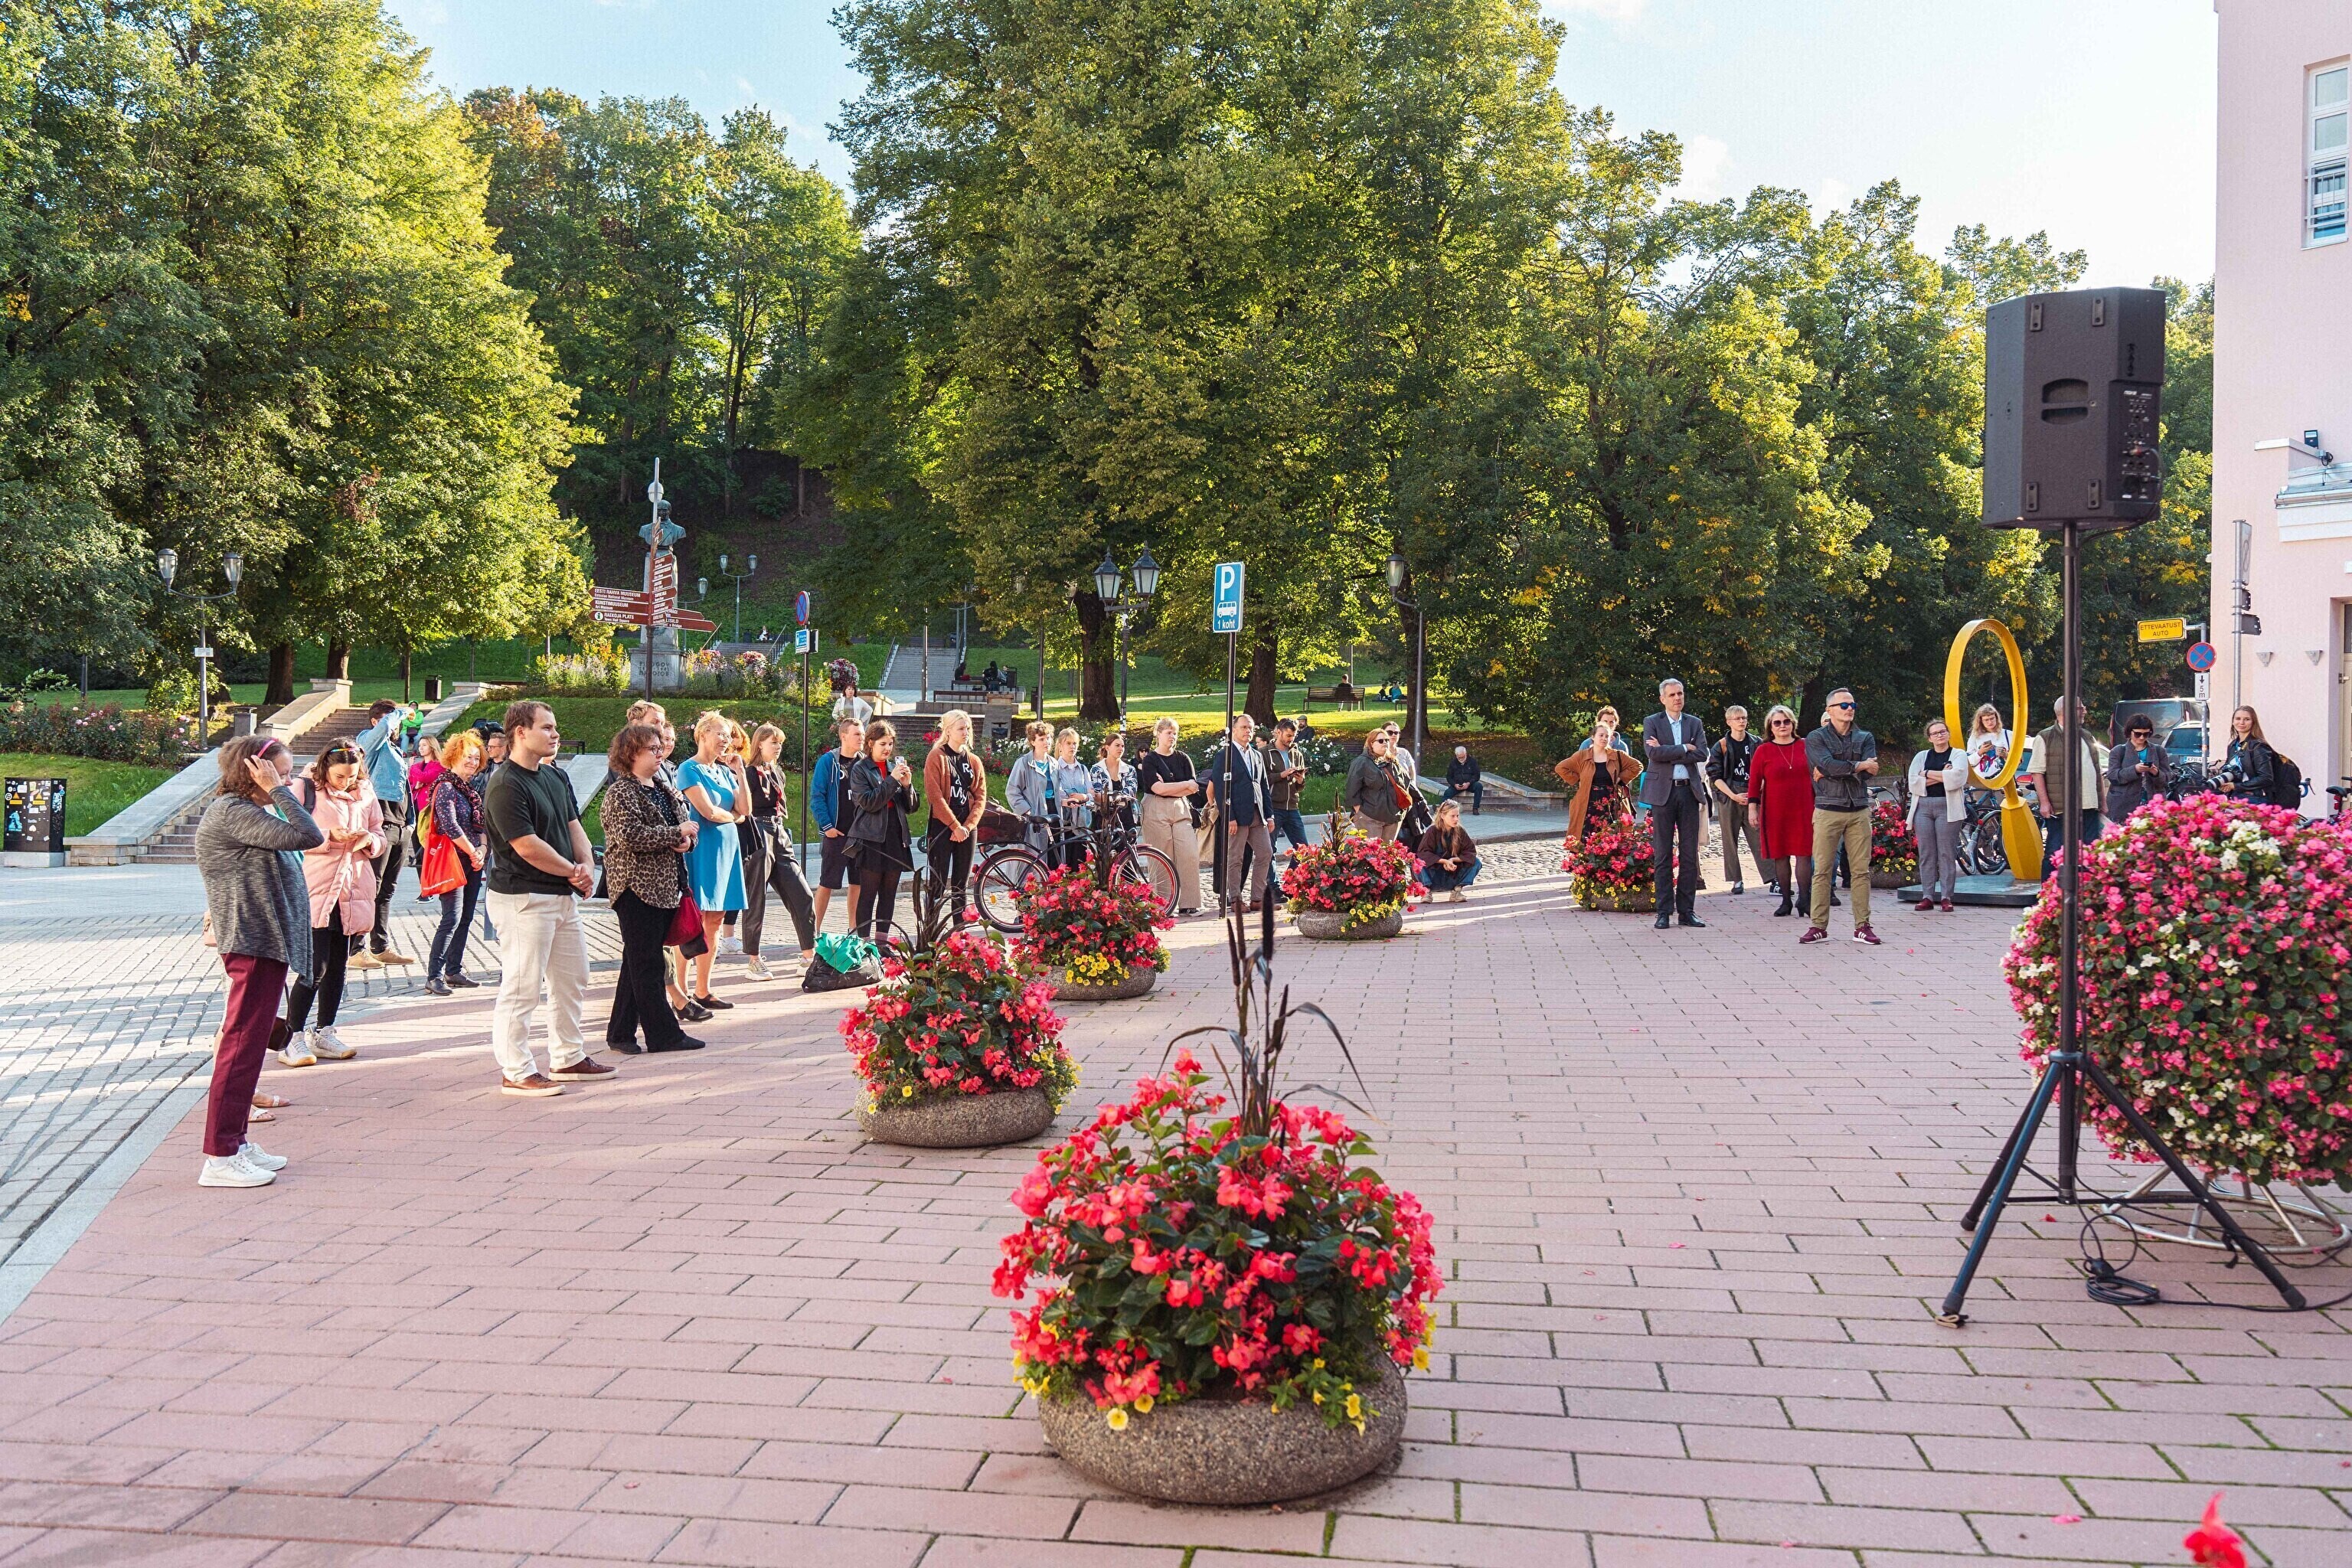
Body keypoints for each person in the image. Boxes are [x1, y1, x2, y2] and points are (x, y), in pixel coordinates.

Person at [193, 736, 322, 1187]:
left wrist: (277, 791)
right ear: (253, 772)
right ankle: (220, 1156)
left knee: (248, 1047)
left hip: (263, 942)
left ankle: (237, 1143)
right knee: (240, 1047)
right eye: (280, 773)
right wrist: (280, 791)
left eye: (287, 774)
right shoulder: (233, 812)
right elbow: (309, 834)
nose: (288, 781)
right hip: (252, 943)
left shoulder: (246, 812)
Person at [482, 700, 609, 1096]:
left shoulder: (554, 776)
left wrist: (587, 864)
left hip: (560, 896)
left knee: (572, 977)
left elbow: (573, 826)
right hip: (522, 898)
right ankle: (516, 1069)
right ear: (521, 732)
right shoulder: (506, 784)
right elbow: (526, 846)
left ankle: (568, 1056)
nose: (555, 734)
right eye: (547, 728)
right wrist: (573, 871)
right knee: (522, 986)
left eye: (555, 727)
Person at [599, 723, 704, 1054]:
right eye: (652, 749)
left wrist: (687, 841)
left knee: (636, 961)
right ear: (631, 753)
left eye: (661, 748)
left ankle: (620, 1034)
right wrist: (676, 833)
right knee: (648, 965)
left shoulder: (663, 787)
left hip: (666, 887)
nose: (660, 753)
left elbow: (687, 828)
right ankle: (663, 1035)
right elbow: (630, 836)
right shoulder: (621, 793)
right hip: (635, 888)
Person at [280, 740, 383, 1065]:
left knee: (338, 967)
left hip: (353, 888)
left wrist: (369, 840)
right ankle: (292, 1037)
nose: (346, 782)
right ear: (325, 767)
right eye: (340, 776)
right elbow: (286, 833)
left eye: (352, 776)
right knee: (315, 968)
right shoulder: (305, 789)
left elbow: (380, 834)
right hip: (317, 886)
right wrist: (328, 836)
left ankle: (325, 1031)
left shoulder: (365, 792)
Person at [678, 712, 750, 1011]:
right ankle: (680, 992)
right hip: (702, 849)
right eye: (720, 733)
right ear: (703, 734)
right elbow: (707, 811)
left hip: (727, 850)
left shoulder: (723, 771)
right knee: (693, 920)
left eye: (729, 735)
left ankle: (703, 990)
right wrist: (734, 817)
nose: (726, 740)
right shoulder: (688, 768)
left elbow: (746, 809)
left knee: (716, 920)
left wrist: (740, 773)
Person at [1800, 689, 1879, 946]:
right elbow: (1825, 765)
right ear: (1830, 710)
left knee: (1861, 872)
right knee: (1822, 871)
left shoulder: (1865, 737)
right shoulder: (1816, 737)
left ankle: (1862, 927)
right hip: (1828, 809)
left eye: (1852, 704)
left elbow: (1869, 772)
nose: (1850, 708)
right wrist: (1857, 765)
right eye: (1844, 705)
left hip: (1858, 809)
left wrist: (1836, 769)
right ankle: (1818, 926)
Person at [741, 722, 815, 977]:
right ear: (759, 743)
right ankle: (753, 959)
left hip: (779, 830)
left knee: (802, 894)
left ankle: (809, 956)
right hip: (758, 831)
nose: (778, 747)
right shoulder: (749, 773)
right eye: (773, 742)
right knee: (756, 898)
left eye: (780, 743)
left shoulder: (776, 772)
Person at [350, 701, 417, 969]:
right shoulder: (368, 741)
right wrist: (400, 712)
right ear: (376, 721)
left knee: (387, 889)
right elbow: (382, 730)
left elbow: (405, 789)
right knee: (370, 887)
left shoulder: (395, 749)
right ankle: (356, 949)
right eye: (393, 720)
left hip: (400, 824)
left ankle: (380, 946)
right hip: (381, 823)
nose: (398, 725)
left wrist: (410, 822)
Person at [423, 730, 491, 995]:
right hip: (453, 860)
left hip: (472, 860)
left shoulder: (470, 791)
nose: (473, 762)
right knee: (451, 918)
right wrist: (473, 851)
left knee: (466, 916)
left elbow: (480, 824)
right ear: (453, 756)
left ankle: (453, 970)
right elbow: (450, 826)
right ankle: (434, 975)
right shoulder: (446, 787)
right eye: (468, 756)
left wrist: (482, 848)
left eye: (476, 757)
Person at [1641, 679, 1710, 930]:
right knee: (1663, 854)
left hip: (1688, 792)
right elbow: (1653, 754)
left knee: (1690, 854)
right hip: (1663, 794)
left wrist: (1669, 750)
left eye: (1680, 693)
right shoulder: (1652, 722)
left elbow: (1701, 753)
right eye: (1672, 695)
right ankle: (1663, 911)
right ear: (1663, 699)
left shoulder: (1694, 723)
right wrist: (1683, 748)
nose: (1677, 698)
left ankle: (1687, 911)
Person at [845, 719, 916, 939]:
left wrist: (907, 786)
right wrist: (892, 781)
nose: (887, 749)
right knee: (868, 893)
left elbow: (912, 807)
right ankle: (864, 943)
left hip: (895, 836)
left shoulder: (894, 769)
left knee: (889, 893)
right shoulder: (860, 769)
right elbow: (869, 803)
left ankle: (882, 942)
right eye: (882, 744)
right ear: (870, 743)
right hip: (871, 838)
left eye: (890, 744)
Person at [924, 710, 989, 921]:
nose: (966, 733)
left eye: (968, 728)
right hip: (942, 827)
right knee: (938, 882)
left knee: (961, 884)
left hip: (967, 829)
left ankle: (959, 931)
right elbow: (935, 797)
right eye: (961, 728)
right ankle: (931, 929)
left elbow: (980, 797)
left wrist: (967, 827)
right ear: (948, 730)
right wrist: (955, 826)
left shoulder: (974, 761)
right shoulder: (937, 756)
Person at [1208, 714, 1275, 910]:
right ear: (1234, 730)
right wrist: (1230, 817)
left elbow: (1263, 786)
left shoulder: (1256, 755)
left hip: (1257, 814)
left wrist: (1269, 815)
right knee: (1236, 858)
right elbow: (1221, 789)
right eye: (1244, 727)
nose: (1248, 731)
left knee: (1266, 852)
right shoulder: (1225, 755)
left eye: (1251, 728)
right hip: (1236, 815)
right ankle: (1235, 899)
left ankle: (1257, 899)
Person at [1137, 717, 1203, 913]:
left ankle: (1189, 903)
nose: (1172, 737)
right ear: (1158, 734)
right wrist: (1182, 785)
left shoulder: (1183, 758)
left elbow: (1193, 787)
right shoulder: (1150, 760)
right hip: (1156, 808)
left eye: (1175, 733)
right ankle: (1163, 904)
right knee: (1161, 855)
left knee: (1189, 853)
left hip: (1180, 808)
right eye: (1168, 733)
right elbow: (1157, 789)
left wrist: (1170, 786)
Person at [2027, 697, 2104, 859]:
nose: (2085, 711)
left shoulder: (2087, 736)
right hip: (2061, 808)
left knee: (2090, 854)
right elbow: (2037, 772)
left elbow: (2097, 771)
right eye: (2081, 708)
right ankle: (2050, 878)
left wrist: (2102, 802)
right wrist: (2044, 803)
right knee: (2056, 853)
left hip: (2089, 806)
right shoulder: (2045, 737)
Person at [810, 717, 864, 937]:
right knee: (827, 882)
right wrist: (827, 826)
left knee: (857, 882)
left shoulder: (864, 762)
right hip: (837, 834)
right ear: (843, 736)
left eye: (862, 734)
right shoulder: (829, 762)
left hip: (860, 834)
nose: (861, 738)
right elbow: (817, 796)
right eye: (857, 734)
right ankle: (813, 931)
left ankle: (853, 928)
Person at [1554, 707, 1640, 848]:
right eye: (1601, 735)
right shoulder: (1583, 753)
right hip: (1588, 801)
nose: (1604, 738)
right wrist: (1579, 778)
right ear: (1593, 737)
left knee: (1610, 839)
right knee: (1585, 838)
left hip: (1610, 803)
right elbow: (1561, 768)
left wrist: (1621, 779)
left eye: (1607, 736)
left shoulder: (1617, 753)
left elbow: (1636, 766)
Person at [1908, 718, 1968, 912]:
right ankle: (1927, 896)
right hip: (1923, 808)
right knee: (1926, 853)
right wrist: (1941, 774)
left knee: (1946, 852)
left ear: (1948, 734)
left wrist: (1926, 774)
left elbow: (1957, 779)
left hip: (1948, 807)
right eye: (1935, 733)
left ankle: (1946, 897)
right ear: (1929, 738)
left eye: (1942, 732)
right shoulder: (1921, 756)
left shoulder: (1958, 754)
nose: (1940, 735)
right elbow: (1913, 783)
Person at [1707, 706, 1766, 895]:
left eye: (1744, 718)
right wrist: (1732, 795)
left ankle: (1773, 878)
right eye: (1737, 718)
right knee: (1729, 839)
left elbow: (1766, 769)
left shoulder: (1757, 743)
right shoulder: (1721, 746)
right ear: (1729, 722)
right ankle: (1736, 879)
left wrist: (1757, 791)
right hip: (1729, 795)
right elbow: (1715, 776)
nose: (1741, 721)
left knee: (1759, 836)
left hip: (1754, 793)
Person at [1342, 730, 1407, 841]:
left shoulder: (1393, 762)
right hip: (1370, 817)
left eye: (1387, 740)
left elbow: (1406, 784)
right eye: (1381, 741)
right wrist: (1360, 811)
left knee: (1389, 851)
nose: (1385, 743)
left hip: (1393, 818)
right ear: (1371, 743)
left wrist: (1403, 809)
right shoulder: (1362, 762)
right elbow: (1352, 789)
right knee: (1371, 851)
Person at [2105, 715, 2171, 821]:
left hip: (2153, 806)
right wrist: (2134, 770)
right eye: (2138, 734)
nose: (2142, 738)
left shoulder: (2159, 751)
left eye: (2146, 734)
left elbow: (2167, 778)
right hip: (2124, 806)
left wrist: (2156, 773)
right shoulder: (2118, 751)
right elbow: (2113, 776)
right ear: (2130, 732)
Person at [1006, 720, 1058, 852]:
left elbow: (1058, 789)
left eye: (1048, 738)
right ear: (1033, 742)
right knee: (1035, 853)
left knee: (1054, 851)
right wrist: (1027, 810)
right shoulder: (1023, 763)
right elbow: (1012, 791)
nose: (1047, 742)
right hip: (1034, 813)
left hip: (1053, 810)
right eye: (1042, 739)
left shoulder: (1054, 763)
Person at [1416, 799, 1481, 902]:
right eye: (1452, 816)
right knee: (1416, 862)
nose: (1456, 819)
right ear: (1443, 816)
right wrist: (1443, 861)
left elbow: (1470, 852)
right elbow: (1423, 853)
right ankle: (1426, 892)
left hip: (1452, 875)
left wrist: (1453, 860)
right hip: (1434, 875)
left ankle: (1457, 891)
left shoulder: (1460, 831)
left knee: (1476, 862)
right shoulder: (1432, 831)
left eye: (1457, 816)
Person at [1266, 720, 1311, 856]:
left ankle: (1292, 871)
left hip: (1292, 806)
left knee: (1303, 849)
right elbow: (1261, 780)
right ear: (1279, 732)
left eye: (1294, 736)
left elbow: (1299, 787)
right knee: (1269, 850)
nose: (1291, 739)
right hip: (1273, 807)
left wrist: (1301, 780)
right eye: (1288, 735)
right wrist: (1282, 775)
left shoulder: (1297, 754)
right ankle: (1271, 872)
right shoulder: (1264, 753)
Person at [2213, 706, 2277, 802]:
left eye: (2247, 719)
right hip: (2236, 796)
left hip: (2255, 798)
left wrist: (2235, 786)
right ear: (2233, 722)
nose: (2241, 722)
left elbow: (2266, 778)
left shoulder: (2258, 746)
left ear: (2253, 722)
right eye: (2238, 719)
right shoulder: (2233, 745)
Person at [1089, 730, 1138, 840]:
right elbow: (1097, 795)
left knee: (1128, 848)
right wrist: (1116, 798)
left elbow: (1131, 791)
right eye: (1117, 745)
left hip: (1126, 815)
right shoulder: (1097, 769)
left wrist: (1112, 797)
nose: (1121, 748)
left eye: (1122, 746)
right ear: (1107, 747)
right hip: (1104, 817)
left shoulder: (1130, 770)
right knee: (1105, 849)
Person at [1445, 746, 1483, 815]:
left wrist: (1469, 783)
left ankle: (1475, 808)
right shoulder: (1453, 763)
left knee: (1479, 786)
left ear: (1466, 754)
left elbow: (1477, 776)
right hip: (1457, 785)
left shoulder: (1473, 761)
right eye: (1459, 758)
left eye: (1463, 757)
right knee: (1448, 792)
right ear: (1456, 756)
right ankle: (1442, 807)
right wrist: (1455, 785)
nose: (1461, 759)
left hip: (1470, 784)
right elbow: (1449, 777)